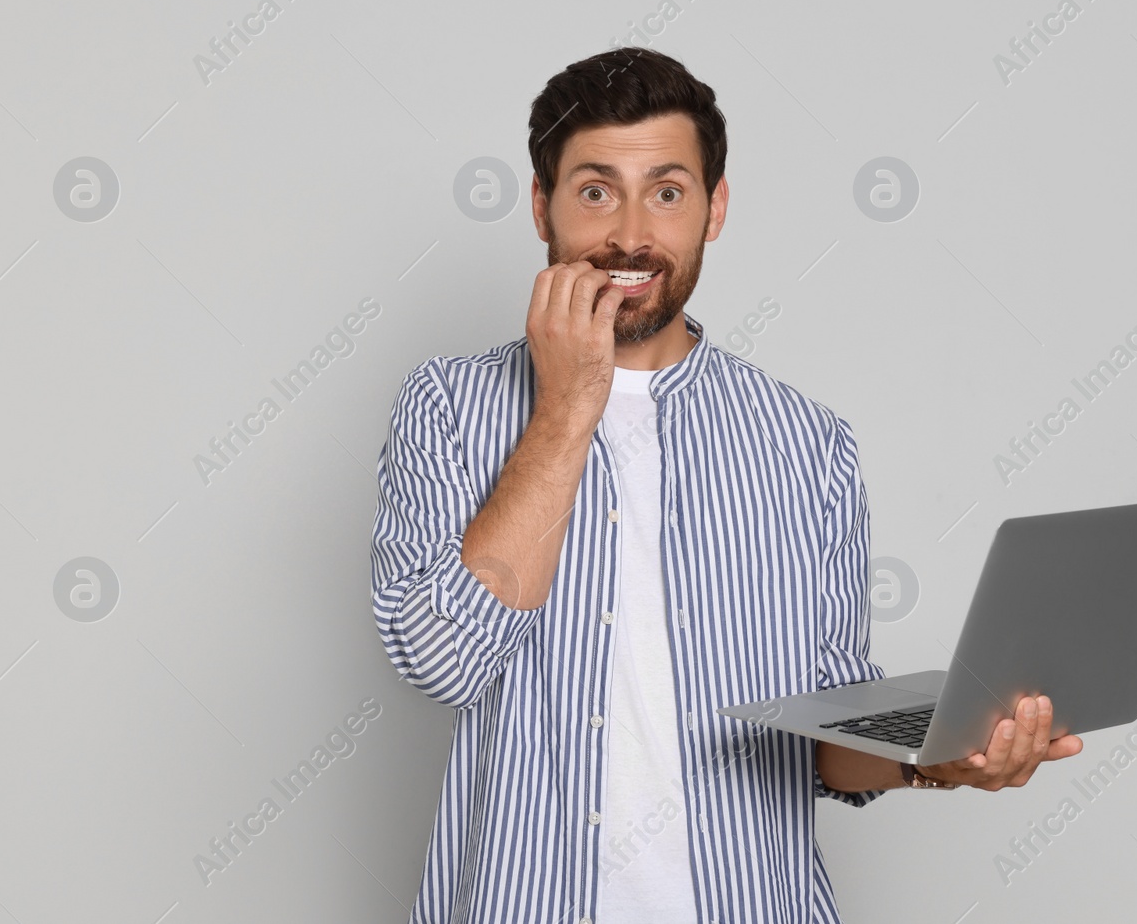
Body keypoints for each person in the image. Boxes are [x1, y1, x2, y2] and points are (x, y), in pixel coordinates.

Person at [370, 47, 1082, 924]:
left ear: (715, 209)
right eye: (595, 190)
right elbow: (442, 659)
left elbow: (826, 741)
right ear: (540, 206)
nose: (631, 233)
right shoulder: (448, 406)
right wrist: (565, 411)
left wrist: (938, 756)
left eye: (667, 191)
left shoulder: (807, 442)